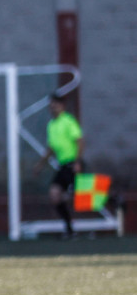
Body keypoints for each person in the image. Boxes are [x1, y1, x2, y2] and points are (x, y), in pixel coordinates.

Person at [33, 92, 84, 239]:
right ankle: (69, 229)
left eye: (56, 104)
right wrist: (40, 164)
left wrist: (78, 162)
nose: (53, 107)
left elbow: (79, 141)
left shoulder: (68, 121)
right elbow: (51, 148)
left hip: (72, 164)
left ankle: (114, 199)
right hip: (63, 166)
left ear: (62, 106)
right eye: (51, 105)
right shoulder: (51, 125)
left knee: (85, 194)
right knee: (55, 195)